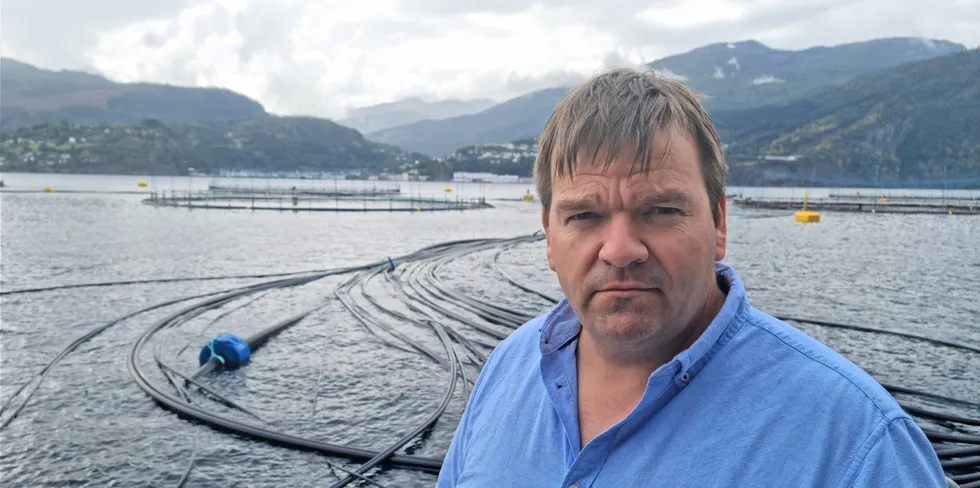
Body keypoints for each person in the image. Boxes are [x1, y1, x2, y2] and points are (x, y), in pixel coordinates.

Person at [436, 68, 947, 487]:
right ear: (548, 236)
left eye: (660, 209)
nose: (620, 250)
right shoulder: (507, 368)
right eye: (584, 216)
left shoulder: (858, 447)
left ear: (718, 223)